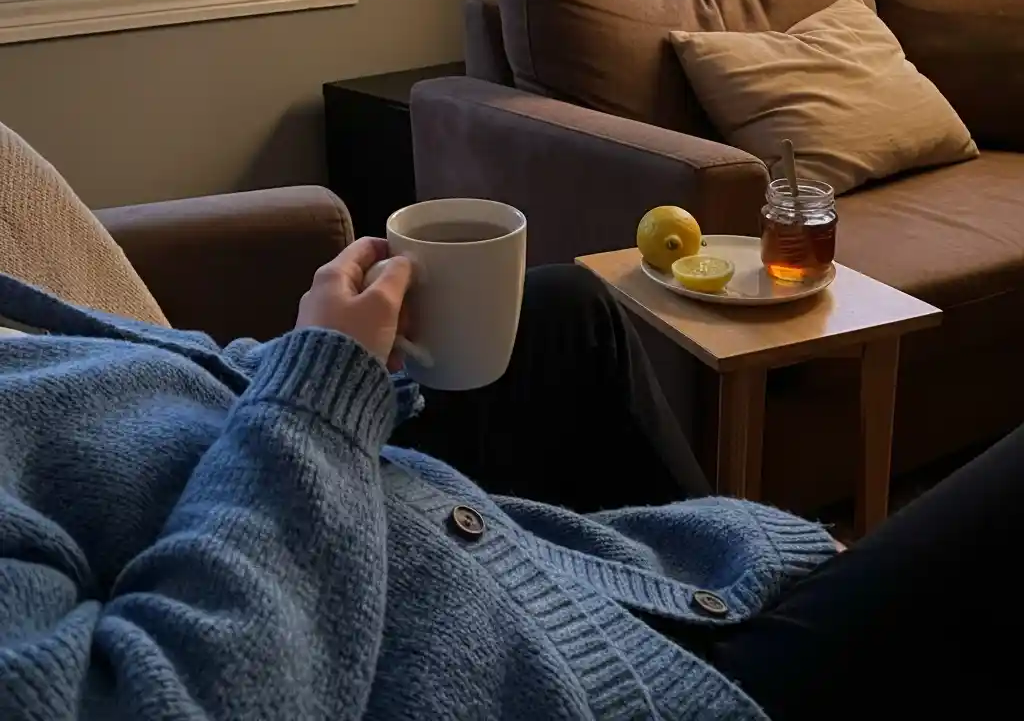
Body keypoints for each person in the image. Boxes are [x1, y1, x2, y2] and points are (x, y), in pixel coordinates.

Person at [0, 237, 1015, 720]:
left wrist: (313, 359)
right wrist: (323, 386)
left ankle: (713, 587)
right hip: (571, 694)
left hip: (480, 566)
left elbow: (159, 406)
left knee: (570, 308)